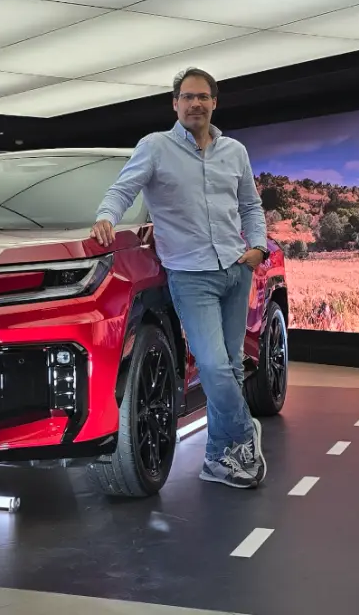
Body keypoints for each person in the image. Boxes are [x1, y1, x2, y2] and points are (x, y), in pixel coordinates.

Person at [91, 66, 269, 490]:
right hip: (191, 276)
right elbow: (123, 190)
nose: (195, 104)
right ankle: (245, 432)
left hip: (235, 269)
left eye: (202, 96)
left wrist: (258, 247)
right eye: (187, 97)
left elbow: (250, 206)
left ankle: (217, 460)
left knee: (231, 368)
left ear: (214, 103)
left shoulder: (235, 151)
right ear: (175, 104)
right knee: (213, 367)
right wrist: (105, 217)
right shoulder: (155, 147)